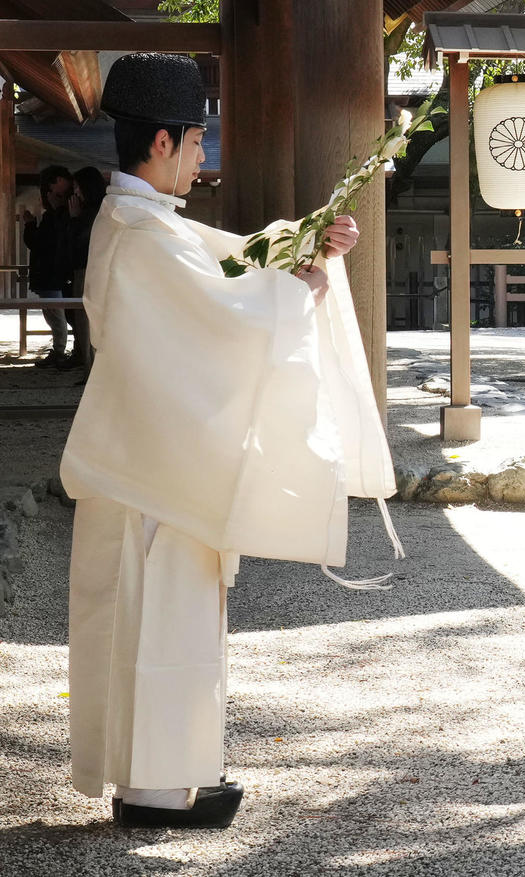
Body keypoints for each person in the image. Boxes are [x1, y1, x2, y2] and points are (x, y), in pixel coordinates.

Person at [63, 52, 399, 829]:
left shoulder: (141, 226)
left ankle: (170, 776)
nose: (202, 156)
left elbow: (227, 262)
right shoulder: (142, 237)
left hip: (154, 465)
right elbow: (223, 317)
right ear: (161, 145)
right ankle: (154, 790)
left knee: (160, 624)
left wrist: (305, 245)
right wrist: (303, 288)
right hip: (156, 476)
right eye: (195, 140)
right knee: (161, 621)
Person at [20, 165, 73, 367]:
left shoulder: (58, 215)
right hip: (50, 272)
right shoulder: (56, 215)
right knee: (53, 313)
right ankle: (59, 350)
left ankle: (60, 350)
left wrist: (30, 225)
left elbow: (39, 243)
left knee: (56, 314)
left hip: (52, 272)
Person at [66, 167, 108, 370]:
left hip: (87, 269)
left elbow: (79, 244)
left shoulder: (92, 213)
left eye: (77, 187)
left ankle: (90, 369)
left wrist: (74, 218)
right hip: (91, 269)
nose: (76, 192)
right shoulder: (100, 209)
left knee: (85, 322)